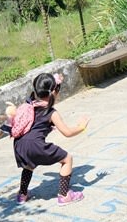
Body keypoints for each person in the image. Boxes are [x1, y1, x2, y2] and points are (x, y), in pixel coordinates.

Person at [12, 73, 89, 205]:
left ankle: (22, 195)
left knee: (30, 165)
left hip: (19, 144)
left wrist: (55, 80)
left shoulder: (30, 104)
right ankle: (64, 196)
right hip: (35, 144)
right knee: (67, 159)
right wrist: (81, 127)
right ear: (54, 92)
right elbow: (67, 132)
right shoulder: (51, 112)